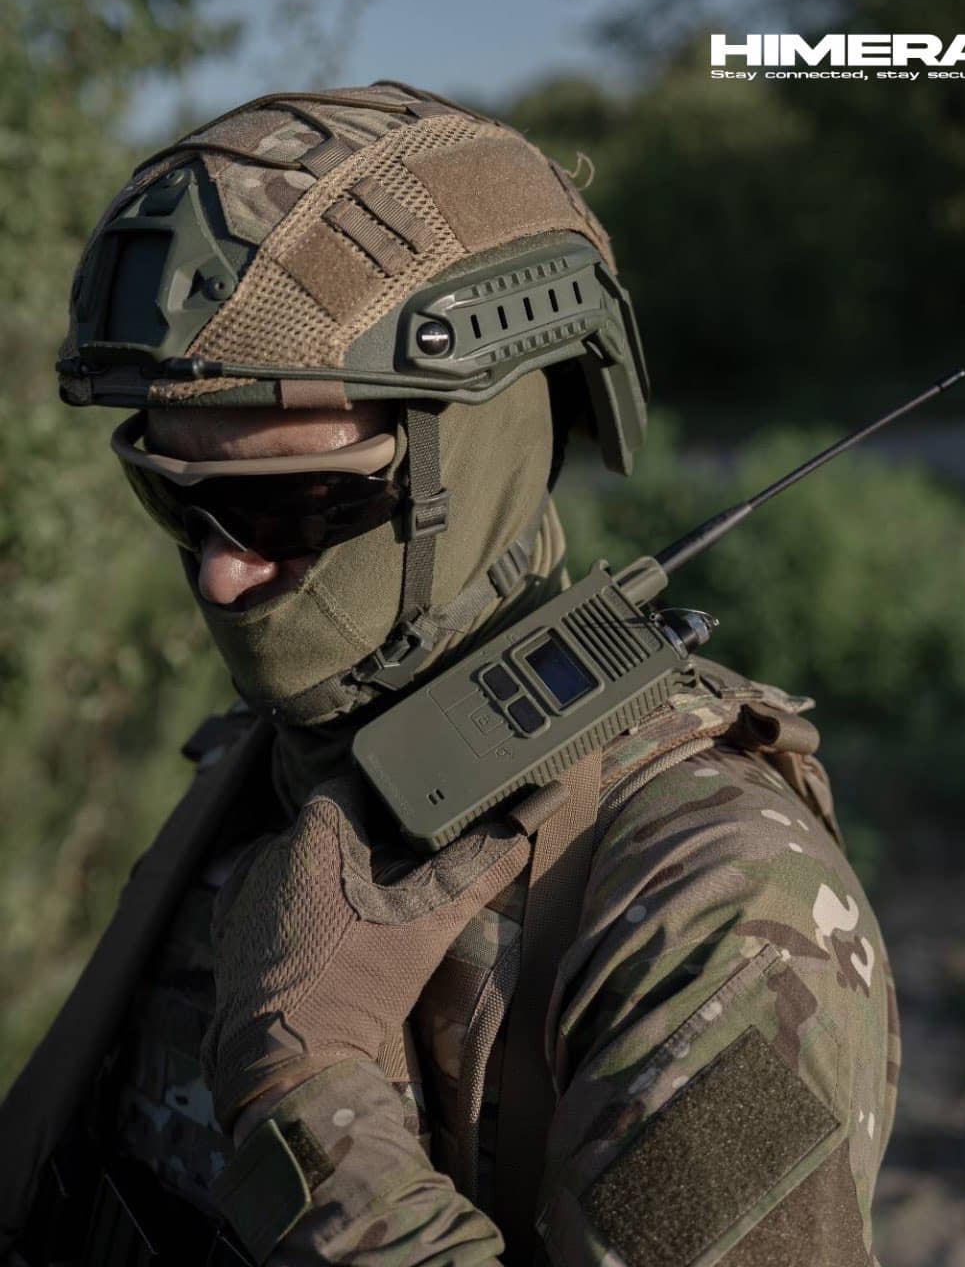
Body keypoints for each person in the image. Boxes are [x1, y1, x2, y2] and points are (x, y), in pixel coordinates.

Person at [0, 83, 899, 1266]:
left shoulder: (717, 904)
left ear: (473, 453)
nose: (221, 575)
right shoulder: (293, 742)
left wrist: (305, 1093)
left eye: (291, 501)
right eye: (176, 496)